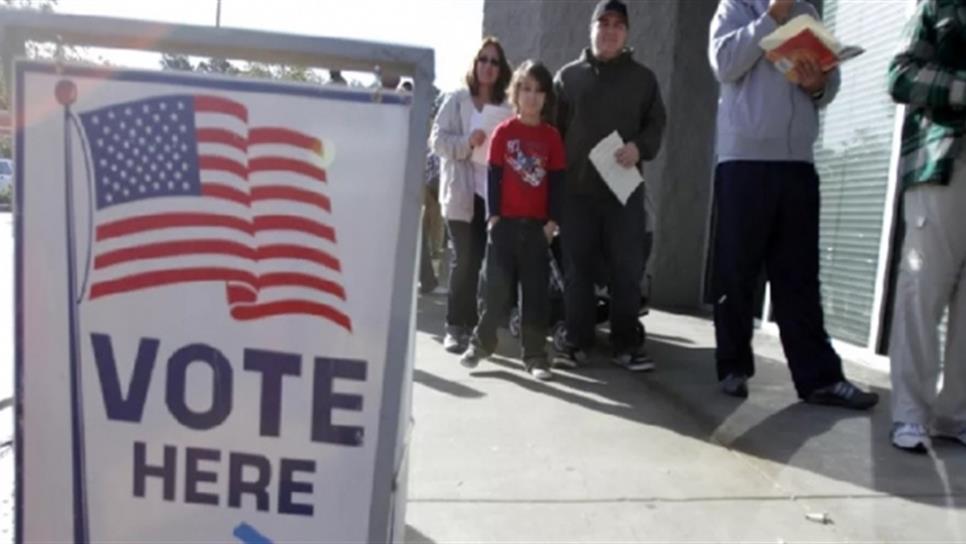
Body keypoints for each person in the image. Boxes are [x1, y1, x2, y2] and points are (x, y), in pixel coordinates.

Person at [707, 0, 877, 408]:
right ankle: (733, 366)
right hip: (744, 161)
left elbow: (828, 88)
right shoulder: (735, 8)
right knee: (736, 271)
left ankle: (819, 378)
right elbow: (725, 64)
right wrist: (772, 18)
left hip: (797, 163)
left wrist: (816, 84)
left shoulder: (809, 14)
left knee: (799, 276)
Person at [553, 0, 666, 371]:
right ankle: (576, 341)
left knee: (627, 269)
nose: (610, 30)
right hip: (577, 194)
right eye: (604, 23)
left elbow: (655, 125)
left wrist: (639, 147)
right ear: (592, 28)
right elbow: (554, 135)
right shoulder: (567, 78)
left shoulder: (643, 79)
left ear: (627, 33)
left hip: (624, 193)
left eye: (618, 24)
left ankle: (626, 345)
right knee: (577, 270)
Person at [886, 0, 966, 452]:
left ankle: (955, 417)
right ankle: (910, 415)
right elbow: (899, 76)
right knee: (923, 294)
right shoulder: (937, 7)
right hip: (941, 166)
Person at [459, 60, 565, 381]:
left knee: (534, 296)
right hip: (504, 226)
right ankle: (482, 343)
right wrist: (492, 217)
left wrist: (551, 223)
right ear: (516, 93)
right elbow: (494, 177)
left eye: (539, 91)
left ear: (546, 97)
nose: (532, 97)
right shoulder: (504, 133)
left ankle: (535, 357)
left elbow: (558, 183)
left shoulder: (552, 138)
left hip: (536, 229)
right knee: (494, 290)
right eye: (526, 89)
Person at [430, 37, 513, 354]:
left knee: (481, 262)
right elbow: (437, 141)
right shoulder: (457, 100)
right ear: (474, 64)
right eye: (483, 59)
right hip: (461, 194)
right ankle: (455, 326)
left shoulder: (506, 108)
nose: (488, 66)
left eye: (494, 61)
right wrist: (468, 141)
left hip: (491, 195)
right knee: (463, 260)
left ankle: (474, 326)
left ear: (501, 68)